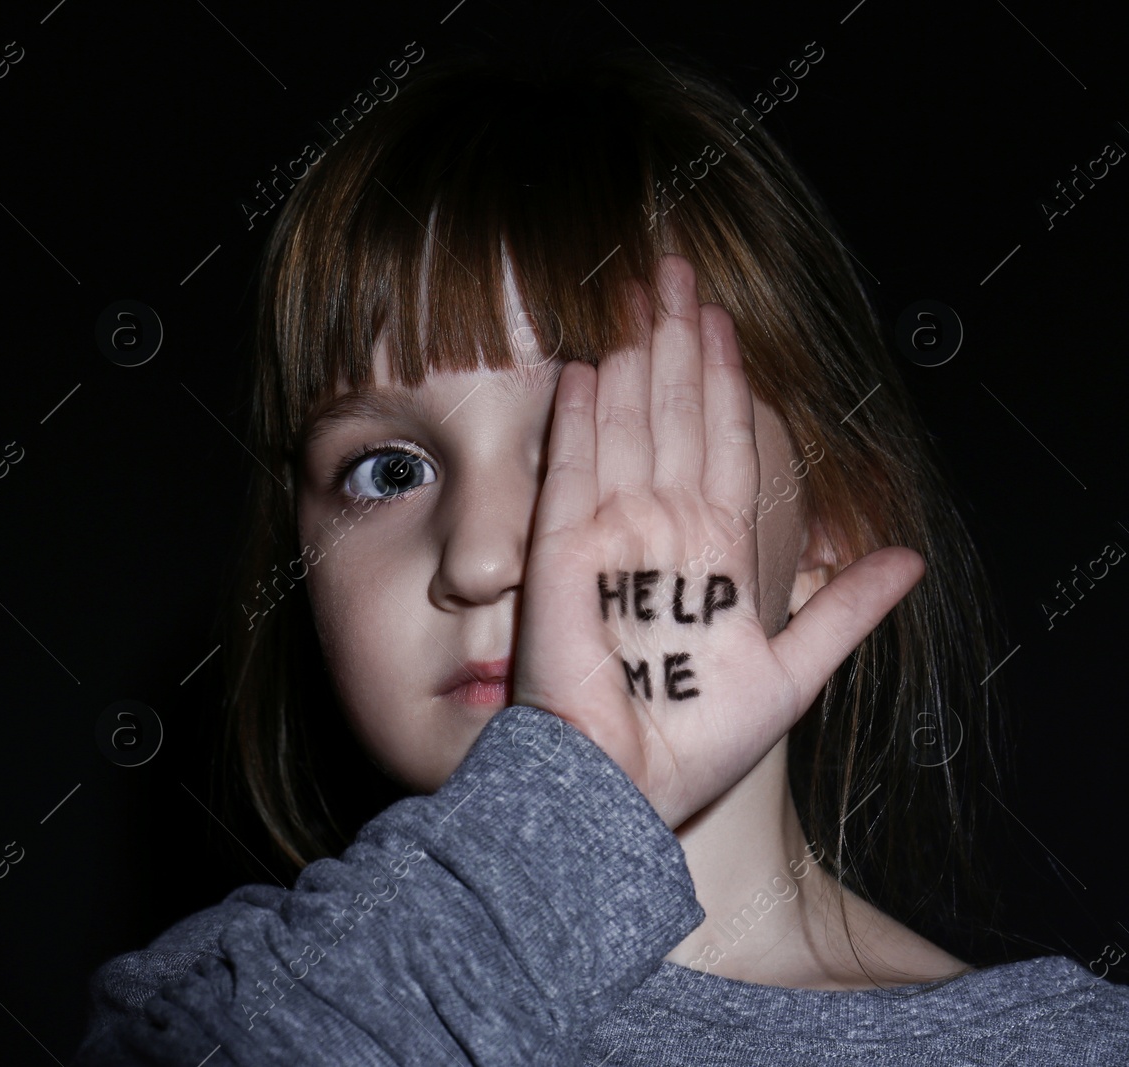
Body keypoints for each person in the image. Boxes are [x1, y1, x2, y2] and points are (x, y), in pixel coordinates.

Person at [71, 49, 1129, 1064]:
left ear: (827, 523)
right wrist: (569, 806)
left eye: (584, 441)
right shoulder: (217, 998)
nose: (481, 559)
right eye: (385, 471)